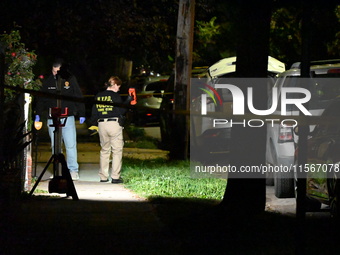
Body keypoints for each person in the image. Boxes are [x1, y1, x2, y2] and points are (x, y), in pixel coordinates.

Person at [34, 58, 86, 181]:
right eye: (54, 71)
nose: (56, 74)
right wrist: (38, 115)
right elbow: (41, 99)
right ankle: (57, 170)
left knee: (70, 145)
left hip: (67, 118)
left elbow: (78, 95)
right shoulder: (48, 82)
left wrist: (81, 113)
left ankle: (73, 170)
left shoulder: (70, 79)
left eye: (58, 71)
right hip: (53, 119)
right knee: (55, 146)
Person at [90, 76, 131, 183]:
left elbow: (94, 112)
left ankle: (103, 176)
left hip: (102, 124)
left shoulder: (98, 96)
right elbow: (121, 111)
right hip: (114, 124)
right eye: (118, 86)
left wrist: (93, 126)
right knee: (117, 151)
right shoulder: (115, 96)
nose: (119, 88)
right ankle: (115, 177)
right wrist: (127, 101)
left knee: (104, 150)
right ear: (114, 85)